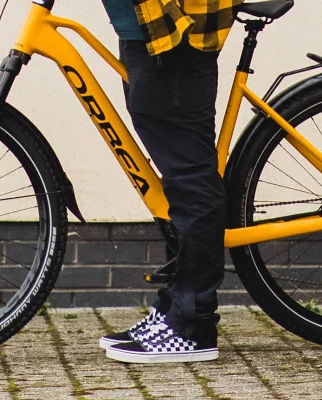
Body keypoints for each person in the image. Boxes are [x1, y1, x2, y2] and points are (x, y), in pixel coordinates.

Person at [97, 0, 244, 364]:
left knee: (190, 178)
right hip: (150, 34)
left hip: (178, 36)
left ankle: (192, 324)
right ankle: (175, 305)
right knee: (182, 176)